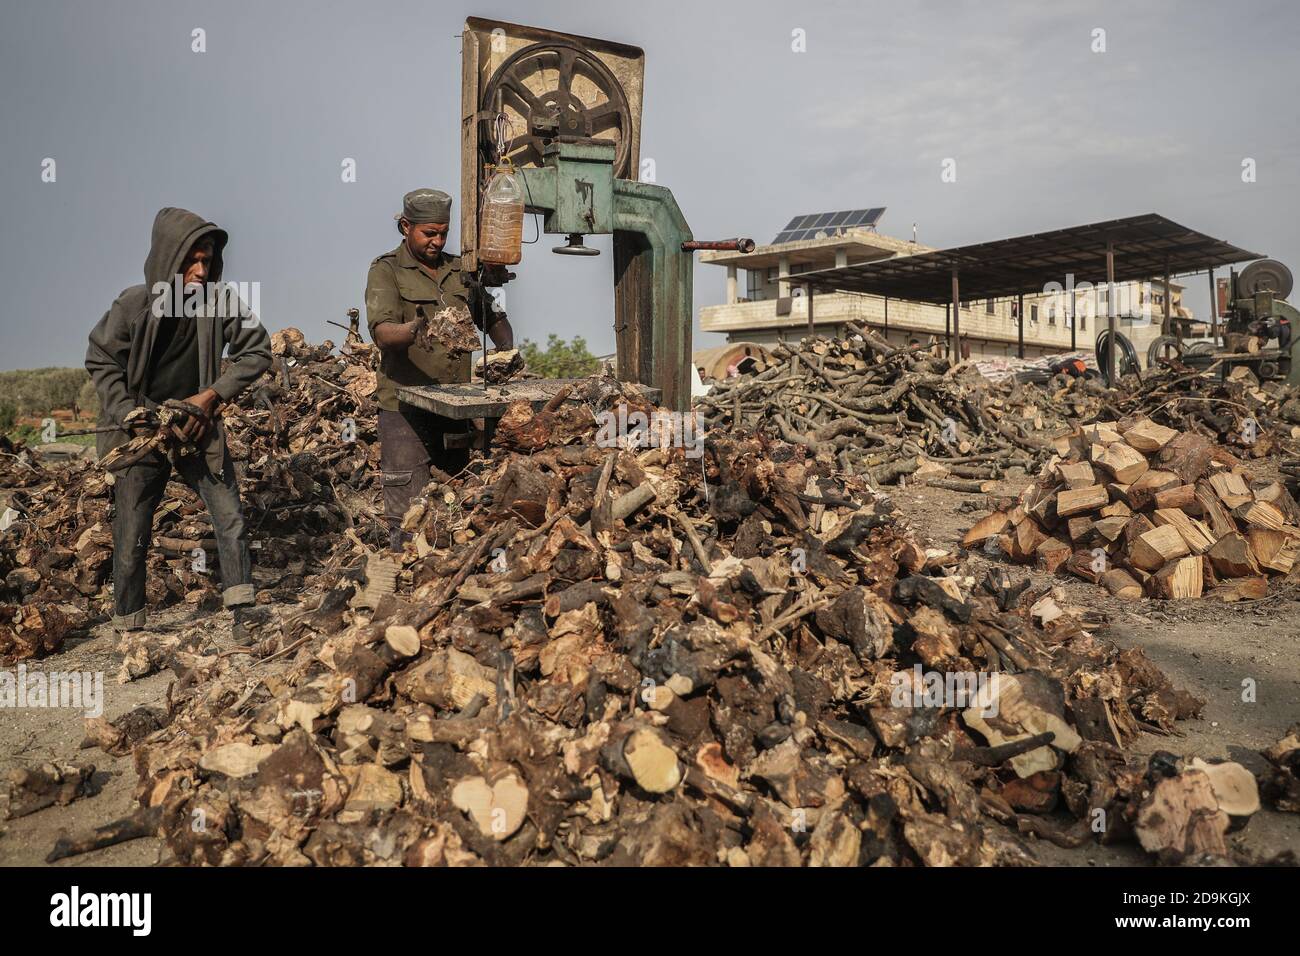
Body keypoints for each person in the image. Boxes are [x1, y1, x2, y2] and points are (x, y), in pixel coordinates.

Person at [86, 207, 271, 637]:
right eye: (193, 260)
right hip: (142, 429)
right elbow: (101, 357)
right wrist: (127, 413)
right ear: (170, 258)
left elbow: (257, 350)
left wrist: (209, 398)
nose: (201, 271)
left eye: (207, 261)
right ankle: (129, 625)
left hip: (196, 425)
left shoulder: (221, 303)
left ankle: (242, 610)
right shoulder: (133, 304)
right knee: (132, 528)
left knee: (229, 517)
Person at [365, 188, 514, 551]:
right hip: (404, 409)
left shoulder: (457, 271)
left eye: (443, 233)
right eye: (428, 233)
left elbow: (492, 319)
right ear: (405, 226)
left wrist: (507, 350)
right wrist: (412, 331)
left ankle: (444, 579)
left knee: (453, 503)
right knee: (408, 511)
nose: (437, 241)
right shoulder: (386, 270)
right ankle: (403, 583)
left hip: (454, 406)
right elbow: (383, 333)